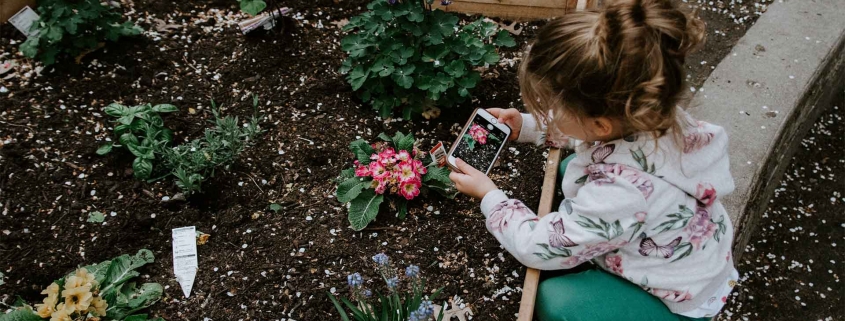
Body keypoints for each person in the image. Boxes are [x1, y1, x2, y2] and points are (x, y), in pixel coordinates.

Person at [448, 0, 738, 320]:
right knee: (569, 168)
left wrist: (490, 197)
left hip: (674, 299)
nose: (547, 113)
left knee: (558, 302)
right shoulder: (655, 116)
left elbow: (538, 247)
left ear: (600, 125)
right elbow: (587, 135)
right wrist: (527, 127)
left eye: (552, 108)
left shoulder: (623, 193)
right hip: (692, 258)